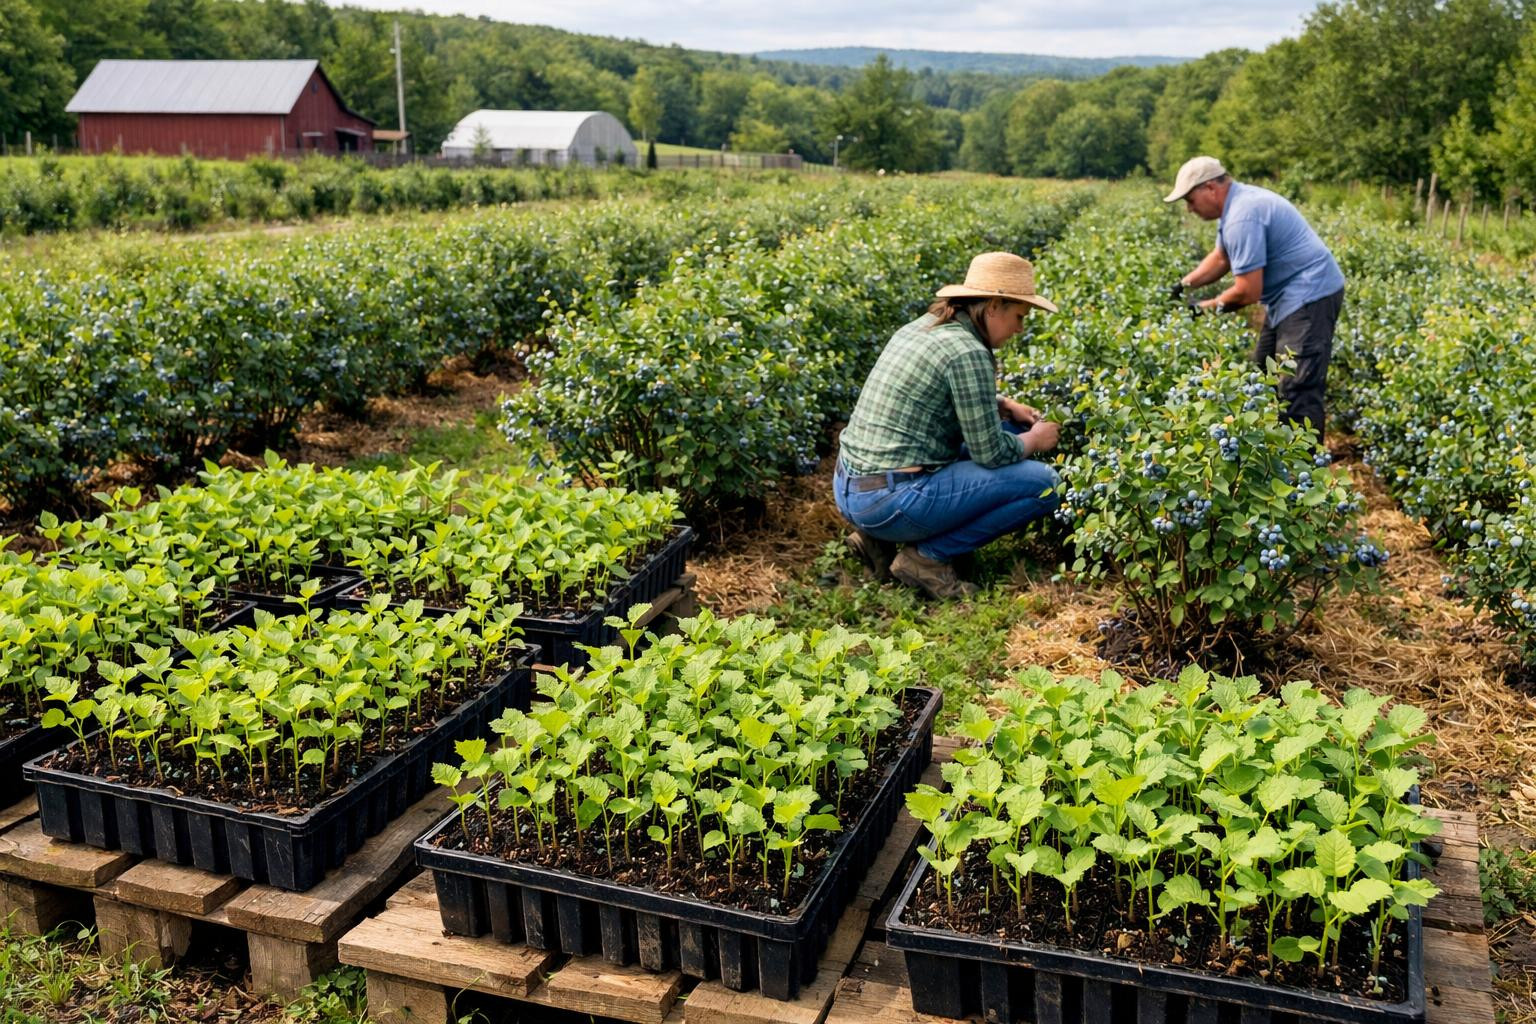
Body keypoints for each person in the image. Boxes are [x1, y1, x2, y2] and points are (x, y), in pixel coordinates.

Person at [833, 252, 1062, 600]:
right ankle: (926, 559)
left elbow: (930, 399)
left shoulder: (925, 326)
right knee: (1045, 484)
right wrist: (1036, 439)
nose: (1020, 329)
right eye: (1019, 316)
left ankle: (875, 541)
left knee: (1011, 434)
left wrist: (1004, 406)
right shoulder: (968, 351)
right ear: (994, 306)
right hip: (888, 500)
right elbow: (992, 454)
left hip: (851, 488)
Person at [1164, 156, 1345, 441]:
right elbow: (1221, 257)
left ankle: (1306, 476)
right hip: (1287, 296)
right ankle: (1271, 450)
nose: (1189, 209)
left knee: (1297, 388)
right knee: (1263, 373)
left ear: (1210, 188)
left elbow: (1248, 291)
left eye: (1189, 200)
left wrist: (1203, 309)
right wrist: (1183, 284)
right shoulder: (1235, 207)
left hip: (1310, 295)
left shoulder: (1242, 215)